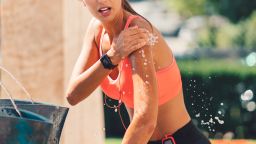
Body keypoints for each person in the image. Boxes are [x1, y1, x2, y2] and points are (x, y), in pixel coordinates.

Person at [66, 0, 211, 144]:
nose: (101, 0)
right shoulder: (96, 30)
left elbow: (145, 122)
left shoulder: (137, 33)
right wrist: (112, 57)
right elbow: (73, 96)